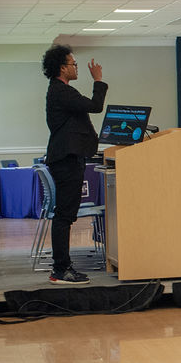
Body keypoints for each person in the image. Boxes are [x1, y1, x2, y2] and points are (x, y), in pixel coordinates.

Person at [43, 44, 107, 285]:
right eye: (73, 64)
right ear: (62, 68)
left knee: (65, 216)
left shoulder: (60, 91)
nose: (76, 67)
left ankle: (62, 267)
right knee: (64, 216)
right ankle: (61, 270)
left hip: (69, 158)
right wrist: (98, 80)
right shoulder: (62, 91)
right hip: (67, 159)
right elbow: (95, 106)